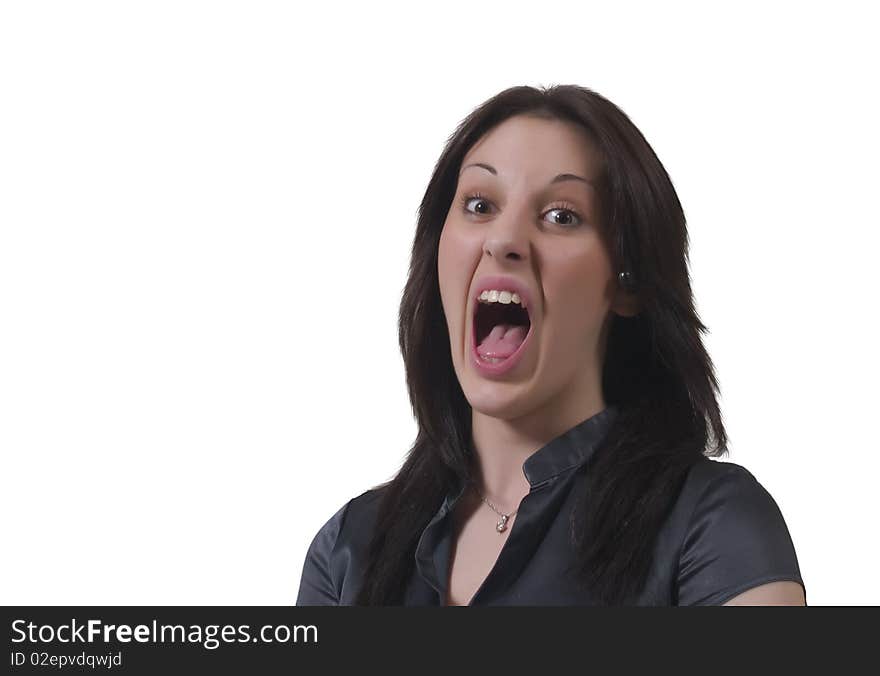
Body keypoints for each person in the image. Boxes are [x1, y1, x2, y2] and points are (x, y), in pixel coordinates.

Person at [296, 84, 807, 606]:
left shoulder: (714, 525)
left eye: (562, 216)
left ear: (627, 280)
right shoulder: (347, 550)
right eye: (479, 204)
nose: (504, 239)